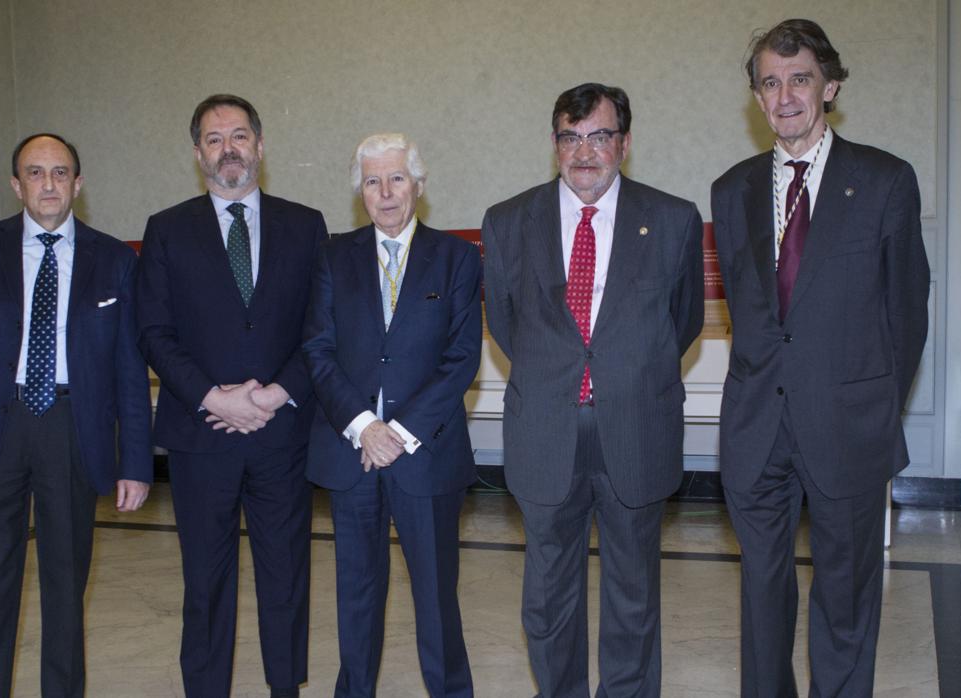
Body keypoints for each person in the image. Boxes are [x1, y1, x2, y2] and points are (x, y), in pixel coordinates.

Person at [711, 19, 931, 696]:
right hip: (756, 430)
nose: (784, 96)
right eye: (769, 83)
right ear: (756, 96)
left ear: (829, 85)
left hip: (849, 426)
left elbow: (908, 313)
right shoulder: (730, 189)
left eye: (799, 78)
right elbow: (748, 312)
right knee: (761, 598)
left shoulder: (886, 180)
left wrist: (872, 407)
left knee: (845, 599)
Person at [482, 83, 703, 697]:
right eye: (570, 138)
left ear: (624, 144)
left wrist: (622, 372)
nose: (585, 152)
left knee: (633, 595)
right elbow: (506, 324)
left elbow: (678, 324)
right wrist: (562, 372)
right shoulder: (506, 221)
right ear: (554, 145)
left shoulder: (673, 219)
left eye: (599, 136)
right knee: (548, 600)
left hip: (636, 425)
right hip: (545, 429)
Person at [0, 132, 153, 697]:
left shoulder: (115, 260)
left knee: (64, 587)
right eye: (35, 173)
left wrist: (137, 463)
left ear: (78, 183)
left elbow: (130, 369)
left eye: (59, 173)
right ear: (16, 184)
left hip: (72, 429)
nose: (48, 184)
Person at [136, 94, 328, 698]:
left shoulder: (307, 224)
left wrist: (275, 394)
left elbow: (323, 330)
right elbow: (153, 332)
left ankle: (284, 687)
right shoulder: (166, 231)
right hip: (201, 436)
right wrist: (211, 398)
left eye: (239, 136)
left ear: (261, 146)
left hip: (283, 434)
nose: (229, 150)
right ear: (197, 153)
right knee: (206, 580)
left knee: (286, 575)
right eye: (214, 139)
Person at [304, 133, 480, 697]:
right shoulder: (332, 258)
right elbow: (318, 350)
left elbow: (460, 359)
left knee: (435, 596)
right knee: (356, 595)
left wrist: (397, 434)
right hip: (351, 451)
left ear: (419, 186)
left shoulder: (456, 258)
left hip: (425, 455)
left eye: (397, 178)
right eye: (373, 181)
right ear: (360, 192)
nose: (385, 193)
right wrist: (365, 427)